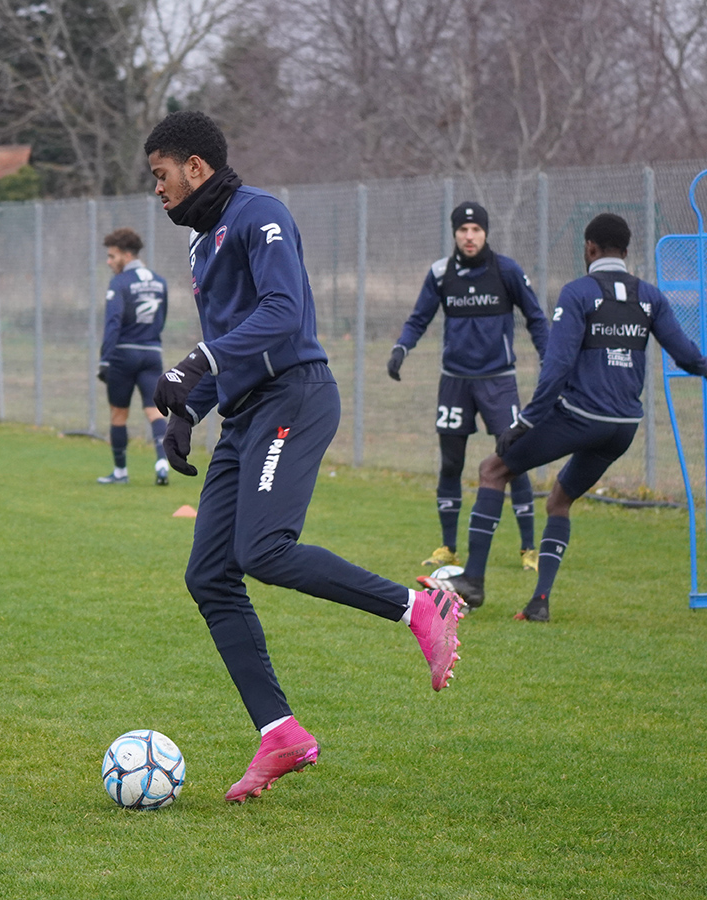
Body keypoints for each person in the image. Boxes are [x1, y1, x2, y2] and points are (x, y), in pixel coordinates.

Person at [143, 110, 466, 803]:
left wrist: (196, 362)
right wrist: (190, 411)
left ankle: (420, 608)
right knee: (209, 576)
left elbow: (283, 313)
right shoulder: (201, 245)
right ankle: (280, 732)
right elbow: (234, 344)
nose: (158, 189)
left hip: (294, 396)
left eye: (161, 174)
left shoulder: (260, 214)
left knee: (264, 550)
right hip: (246, 414)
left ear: (195, 166)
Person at [441, 213, 707, 622]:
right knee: (560, 499)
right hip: (623, 427)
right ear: (626, 251)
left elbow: (557, 366)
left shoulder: (578, 292)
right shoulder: (650, 297)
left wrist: (525, 422)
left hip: (580, 416)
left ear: (589, 248)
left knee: (492, 470)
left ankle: (472, 581)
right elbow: (688, 357)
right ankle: (539, 603)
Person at [389, 203, 548, 576]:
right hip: (455, 382)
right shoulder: (441, 273)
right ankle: (449, 548)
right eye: (463, 230)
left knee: (515, 459)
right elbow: (418, 318)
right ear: (455, 233)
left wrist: (551, 360)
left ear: (486, 232)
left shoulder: (507, 271)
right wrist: (401, 348)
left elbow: (536, 318)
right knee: (450, 463)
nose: (470, 236)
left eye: (476, 229)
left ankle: (529, 548)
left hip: (499, 381)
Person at [96, 227, 171, 486]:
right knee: (155, 411)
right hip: (152, 354)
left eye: (112, 256)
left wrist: (105, 359)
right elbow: (161, 319)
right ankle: (162, 463)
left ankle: (120, 472)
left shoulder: (119, 283)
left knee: (119, 413)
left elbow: (113, 322)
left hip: (123, 355)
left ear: (126, 255)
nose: (109, 262)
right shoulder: (160, 281)